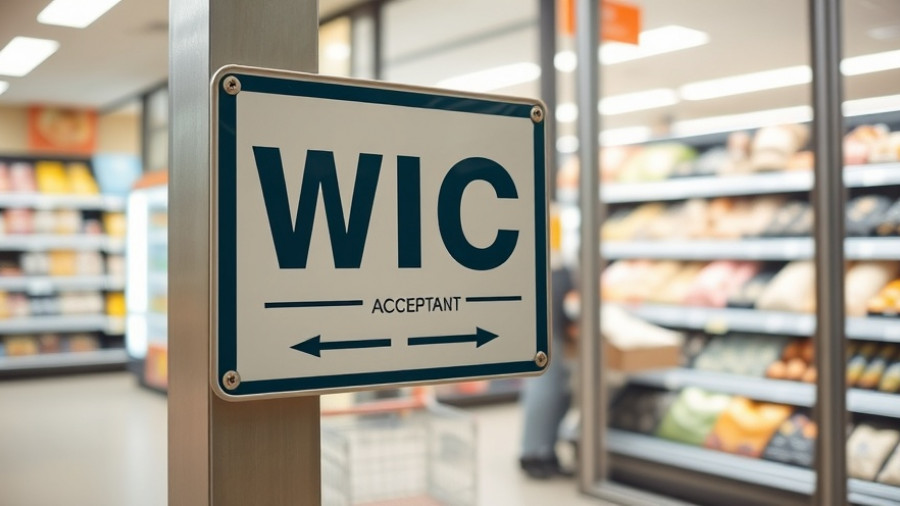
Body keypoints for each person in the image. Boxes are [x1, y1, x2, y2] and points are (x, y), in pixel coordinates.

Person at [519, 207, 577, 479]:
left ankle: (546, 451)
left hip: (553, 330)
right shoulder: (548, 261)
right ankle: (533, 454)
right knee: (544, 389)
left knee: (556, 392)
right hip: (545, 332)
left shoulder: (556, 253)